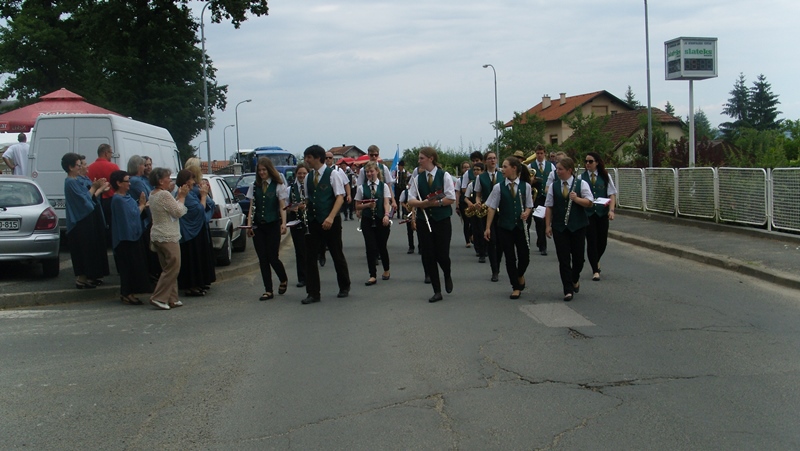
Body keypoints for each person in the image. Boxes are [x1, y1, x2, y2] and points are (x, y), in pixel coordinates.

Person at [301, 145, 351, 304]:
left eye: (308, 157)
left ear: (317, 158)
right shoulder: (308, 177)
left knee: (336, 254)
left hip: (331, 221)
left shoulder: (333, 174)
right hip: (314, 221)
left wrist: (330, 217)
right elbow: (308, 199)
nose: (306, 160)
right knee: (310, 257)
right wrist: (302, 207)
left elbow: (339, 197)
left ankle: (344, 286)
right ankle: (313, 292)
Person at [407, 146, 456, 303]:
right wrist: (422, 204)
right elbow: (410, 199)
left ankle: (447, 273)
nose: (419, 161)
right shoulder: (417, 179)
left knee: (442, 255)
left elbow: (451, 198)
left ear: (431, 158)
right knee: (429, 255)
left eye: (421, 158)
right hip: (424, 221)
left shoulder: (444, 175)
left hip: (442, 221)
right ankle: (437, 290)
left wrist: (435, 203)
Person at [483, 157, 534, 300]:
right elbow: (492, 207)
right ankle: (515, 286)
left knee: (525, 257)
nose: (502, 169)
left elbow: (529, 205)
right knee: (510, 257)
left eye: (505, 167)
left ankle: (520, 274)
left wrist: (526, 213)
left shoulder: (526, 186)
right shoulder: (498, 187)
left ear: (514, 168)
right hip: (505, 227)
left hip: (520, 227)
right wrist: (488, 227)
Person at [545, 157, 594, 302]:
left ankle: (574, 278)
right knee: (564, 259)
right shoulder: (554, 186)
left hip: (578, 226)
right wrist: (547, 225)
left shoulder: (581, 184)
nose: (557, 172)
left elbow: (590, 202)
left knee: (579, 259)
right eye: (557, 169)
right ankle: (567, 289)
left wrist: (577, 199)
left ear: (569, 170)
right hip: (560, 227)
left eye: (560, 169)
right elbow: (549, 206)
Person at [62, 153, 110, 289]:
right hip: (79, 221)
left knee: (88, 250)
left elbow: (88, 197)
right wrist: (95, 187)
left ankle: (85, 278)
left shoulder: (75, 180)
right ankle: (81, 279)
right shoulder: (70, 182)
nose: (80, 167)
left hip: (85, 219)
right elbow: (84, 199)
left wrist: (96, 187)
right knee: (82, 251)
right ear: (70, 167)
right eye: (78, 165)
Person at [246, 157, 289, 301]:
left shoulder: (278, 185)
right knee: (262, 258)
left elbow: (282, 206)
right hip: (258, 225)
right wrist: (249, 224)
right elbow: (252, 207)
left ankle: (283, 278)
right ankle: (268, 290)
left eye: (264, 170)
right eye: (259, 170)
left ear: (269, 170)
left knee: (273, 257)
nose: (262, 173)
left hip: (272, 224)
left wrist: (284, 223)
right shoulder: (254, 186)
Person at [109, 170, 152, 305]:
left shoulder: (126, 197)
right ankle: (127, 293)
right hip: (125, 239)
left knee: (134, 267)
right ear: (118, 183)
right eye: (127, 181)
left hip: (134, 236)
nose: (129, 184)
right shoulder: (118, 200)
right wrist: (141, 205)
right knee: (127, 268)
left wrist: (142, 205)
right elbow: (132, 215)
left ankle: (130, 292)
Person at [148, 167, 189, 310]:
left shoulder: (153, 194)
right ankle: (159, 297)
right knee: (173, 267)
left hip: (157, 235)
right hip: (168, 236)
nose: (170, 180)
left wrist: (177, 198)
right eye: (167, 178)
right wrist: (182, 197)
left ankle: (172, 298)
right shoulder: (164, 194)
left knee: (167, 267)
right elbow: (178, 211)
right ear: (160, 181)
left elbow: (170, 208)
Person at [175, 169, 216, 297]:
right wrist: (203, 196)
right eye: (192, 179)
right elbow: (199, 210)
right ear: (186, 181)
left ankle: (198, 284)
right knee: (191, 260)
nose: (194, 182)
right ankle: (191, 287)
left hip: (195, 231)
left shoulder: (189, 194)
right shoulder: (185, 196)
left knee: (197, 259)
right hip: (189, 233)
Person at [355, 161, 392, 286]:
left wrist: (386, 215)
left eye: (371, 171)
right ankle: (372, 275)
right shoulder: (361, 188)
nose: (369, 174)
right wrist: (367, 205)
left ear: (377, 171)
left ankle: (386, 269)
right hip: (367, 220)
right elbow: (357, 205)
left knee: (382, 246)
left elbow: (386, 202)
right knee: (370, 247)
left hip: (381, 219)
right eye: (367, 172)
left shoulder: (383, 186)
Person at [582, 152, 617, 281]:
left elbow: (612, 194)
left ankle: (596, 260)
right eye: (586, 161)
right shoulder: (581, 178)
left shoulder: (605, 176)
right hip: (588, 213)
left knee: (602, 242)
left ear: (596, 162)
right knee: (591, 241)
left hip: (602, 213)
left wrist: (611, 210)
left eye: (590, 161)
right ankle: (595, 270)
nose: (588, 164)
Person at [473, 150, 503, 281]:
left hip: (502, 211)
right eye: (490, 158)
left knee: (501, 242)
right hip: (487, 211)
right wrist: (478, 202)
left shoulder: (502, 175)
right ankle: (494, 270)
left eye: (494, 158)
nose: (492, 160)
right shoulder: (481, 177)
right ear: (485, 161)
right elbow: (478, 194)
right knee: (491, 240)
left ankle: (498, 264)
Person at [87, 143, 120, 239]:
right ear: (106, 153)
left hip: (95, 200)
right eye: (111, 153)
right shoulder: (113, 167)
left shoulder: (90, 168)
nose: (111, 156)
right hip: (110, 199)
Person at [529, 144, 555, 256]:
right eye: (537, 153)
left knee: (545, 221)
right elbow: (527, 182)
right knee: (539, 221)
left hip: (547, 197)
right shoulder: (531, 166)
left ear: (545, 154)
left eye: (541, 153)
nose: (539, 155)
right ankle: (542, 243)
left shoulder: (551, 166)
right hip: (536, 197)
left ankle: (541, 243)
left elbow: (554, 179)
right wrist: (532, 181)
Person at [287, 163, 309, 287]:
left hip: (310, 221)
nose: (302, 176)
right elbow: (285, 206)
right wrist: (292, 208)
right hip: (296, 222)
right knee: (300, 251)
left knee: (310, 250)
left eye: (304, 173)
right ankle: (302, 277)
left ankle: (311, 275)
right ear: (296, 174)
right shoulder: (290, 189)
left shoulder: (311, 187)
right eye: (299, 173)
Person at [457, 160, 473, 249]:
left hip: (472, 201)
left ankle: (472, 235)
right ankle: (467, 241)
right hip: (463, 202)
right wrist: (457, 205)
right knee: (466, 222)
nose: (466, 169)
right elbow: (458, 193)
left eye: (468, 167)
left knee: (473, 221)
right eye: (464, 167)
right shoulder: (460, 180)